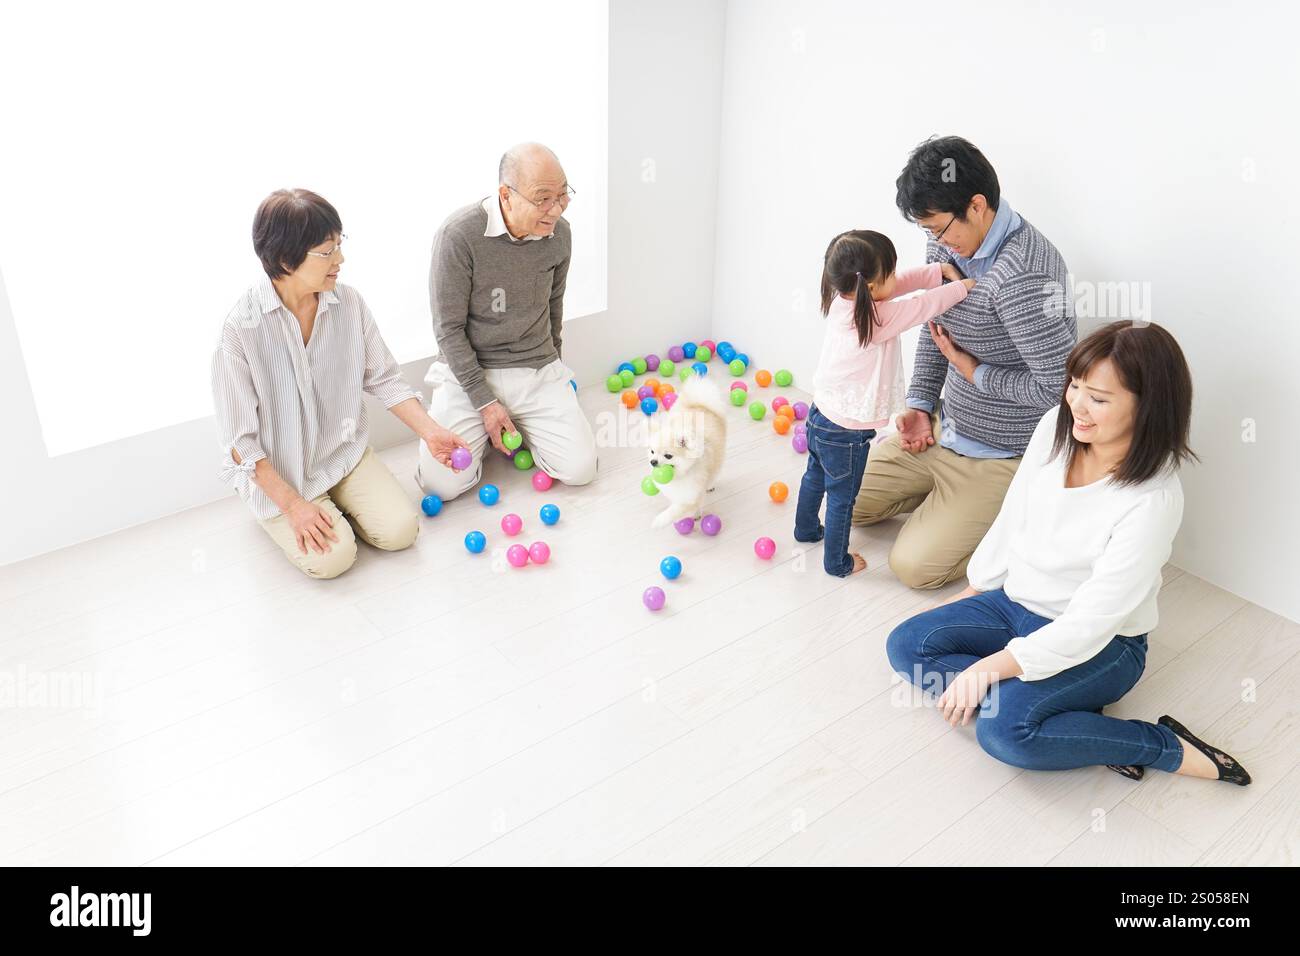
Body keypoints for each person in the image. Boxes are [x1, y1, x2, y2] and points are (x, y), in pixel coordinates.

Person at [886, 321, 1251, 785]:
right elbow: (1012, 518)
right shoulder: (1055, 427)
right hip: (1013, 605)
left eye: (1098, 397)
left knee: (1005, 733)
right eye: (1074, 385)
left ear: (1149, 406)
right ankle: (1055, 707)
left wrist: (987, 668)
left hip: (1105, 643)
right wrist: (973, 593)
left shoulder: (1153, 498)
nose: (1076, 404)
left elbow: (1092, 622)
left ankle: (1159, 745)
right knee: (905, 644)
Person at [852, 136, 1077, 589]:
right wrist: (919, 403)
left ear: (977, 206)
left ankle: (1001, 513)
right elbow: (936, 327)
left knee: (913, 569)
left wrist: (975, 372)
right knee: (845, 503)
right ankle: (944, 504)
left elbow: (1059, 390)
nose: (936, 243)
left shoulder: (1025, 275)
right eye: (927, 232)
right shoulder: (948, 246)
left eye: (939, 228)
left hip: (1001, 454)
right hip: (944, 427)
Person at [212, 189, 468, 579]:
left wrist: (432, 433)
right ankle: (292, 511)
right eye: (326, 251)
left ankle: (339, 500)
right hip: (286, 474)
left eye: (339, 246)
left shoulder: (348, 304)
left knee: (401, 532)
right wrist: (294, 507)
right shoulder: (241, 330)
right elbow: (239, 444)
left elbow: (385, 379)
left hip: (341, 455)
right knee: (333, 560)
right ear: (285, 259)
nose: (340, 260)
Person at [416, 143, 597, 499]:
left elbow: (553, 307)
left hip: (534, 368)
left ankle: (519, 423)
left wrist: (555, 375)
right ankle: (487, 424)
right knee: (442, 484)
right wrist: (484, 402)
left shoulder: (560, 234)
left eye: (563, 195)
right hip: (468, 374)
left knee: (580, 471)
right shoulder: (459, 236)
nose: (556, 209)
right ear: (506, 195)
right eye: (543, 198)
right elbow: (448, 330)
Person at [797, 229, 974, 576]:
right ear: (872, 288)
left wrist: (936, 272)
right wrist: (961, 288)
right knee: (842, 499)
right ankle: (837, 562)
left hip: (821, 415)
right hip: (847, 433)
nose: (897, 276)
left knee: (814, 477)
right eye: (890, 272)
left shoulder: (843, 301)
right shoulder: (878, 318)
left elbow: (900, 286)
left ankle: (804, 531)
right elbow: (922, 305)